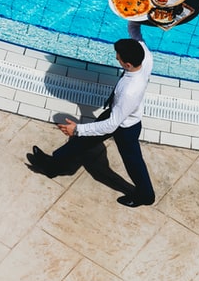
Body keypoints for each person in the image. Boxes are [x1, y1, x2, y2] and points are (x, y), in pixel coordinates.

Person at [28, 21, 155, 207]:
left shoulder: (129, 91)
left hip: (124, 127)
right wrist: (135, 18)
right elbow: (135, 33)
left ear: (127, 64)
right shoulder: (146, 57)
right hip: (117, 114)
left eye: (118, 58)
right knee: (81, 143)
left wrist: (77, 128)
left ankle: (146, 195)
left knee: (133, 162)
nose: (117, 59)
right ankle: (52, 165)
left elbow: (112, 124)